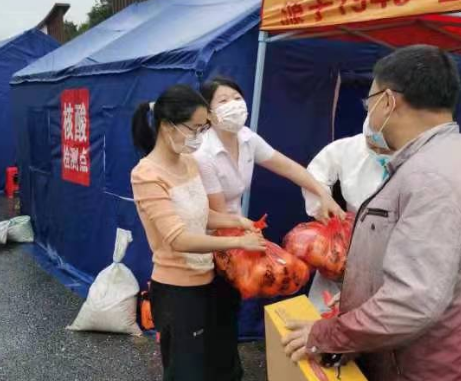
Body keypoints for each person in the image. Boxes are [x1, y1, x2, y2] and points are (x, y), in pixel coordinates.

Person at [282, 45, 461, 381]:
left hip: (422, 368)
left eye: (370, 101)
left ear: (388, 100)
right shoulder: (452, 155)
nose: (370, 110)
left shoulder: (431, 177)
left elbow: (412, 302)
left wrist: (328, 334)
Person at [194, 76, 345, 381]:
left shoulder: (247, 139)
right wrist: (246, 239)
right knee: (211, 311)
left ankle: (226, 369)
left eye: (236, 97)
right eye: (223, 101)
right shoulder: (203, 153)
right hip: (208, 236)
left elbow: (290, 168)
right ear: (208, 114)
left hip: (236, 233)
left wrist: (324, 195)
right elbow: (215, 213)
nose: (234, 105)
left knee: (228, 308)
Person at [130, 84, 266, 381]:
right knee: (186, 372)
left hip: (209, 280)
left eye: (204, 128)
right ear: (167, 126)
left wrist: (237, 222)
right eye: (194, 129)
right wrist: (239, 241)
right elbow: (178, 238)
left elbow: (201, 215)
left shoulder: (189, 162)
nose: (199, 137)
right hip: (178, 292)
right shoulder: (146, 175)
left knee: (220, 364)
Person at [302, 131, 393, 314]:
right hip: (346, 241)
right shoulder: (352, 147)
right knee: (326, 309)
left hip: (393, 246)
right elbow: (316, 173)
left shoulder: (420, 154)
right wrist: (321, 201)